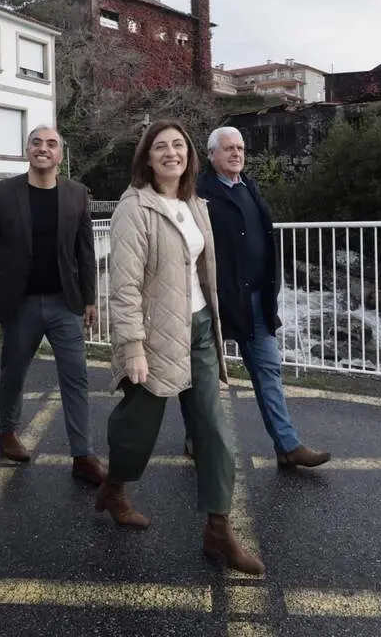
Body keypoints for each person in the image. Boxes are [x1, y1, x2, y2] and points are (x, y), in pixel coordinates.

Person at [95, 118, 265, 576]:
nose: (171, 153)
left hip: (199, 330)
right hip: (153, 337)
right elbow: (124, 285)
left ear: (189, 154)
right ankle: (113, 488)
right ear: (147, 159)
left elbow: (202, 270)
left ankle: (218, 528)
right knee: (137, 431)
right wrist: (132, 345)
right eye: (161, 147)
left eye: (178, 146)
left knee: (214, 429)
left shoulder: (194, 202)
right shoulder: (135, 208)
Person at [0, 126, 105, 485]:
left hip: (65, 303)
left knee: (76, 378)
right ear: (27, 150)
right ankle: (7, 433)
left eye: (52, 144)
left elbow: (85, 251)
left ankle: (83, 455)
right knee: (13, 374)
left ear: (60, 155)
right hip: (20, 305)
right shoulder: (2, 194)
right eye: (37, 143)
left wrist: (89, 297)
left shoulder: (77, 194)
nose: (43, 148)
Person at [193, 126, 330, 469]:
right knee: (204, 376)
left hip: (255, 299)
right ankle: (195, 437)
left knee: (268, 370)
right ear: (212, 155)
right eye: (228, 149)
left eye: (240, 148)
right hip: (215, 301)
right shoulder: (198, 193)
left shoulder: (249, 188)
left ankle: (287, 445)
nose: (237, 153)